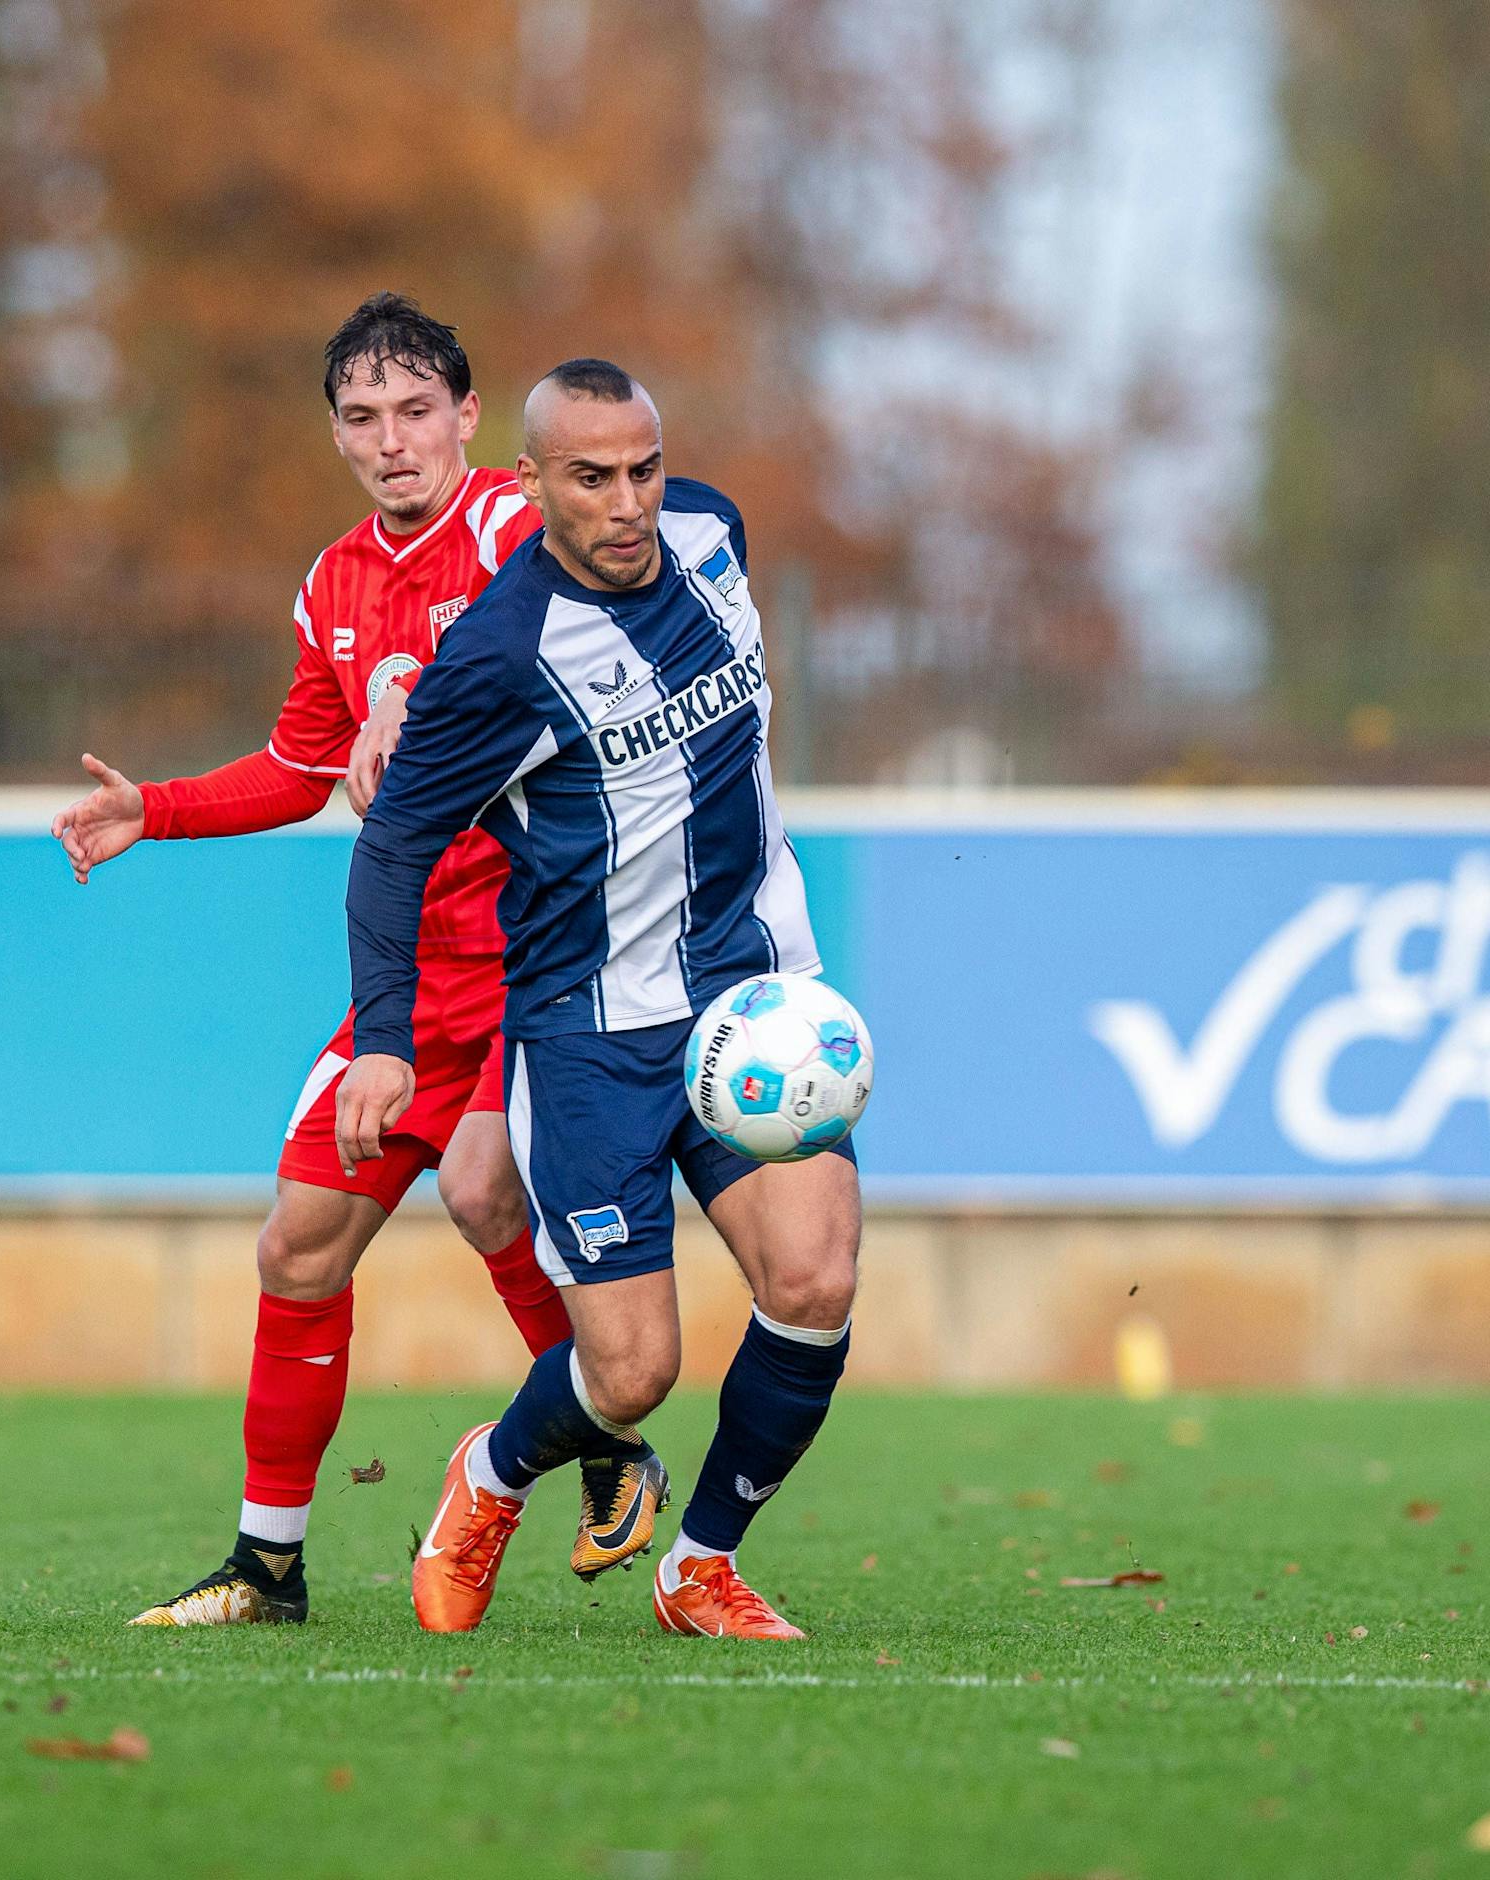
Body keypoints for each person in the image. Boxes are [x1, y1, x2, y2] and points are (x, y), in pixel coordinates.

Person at [52, 300, 667, 1627]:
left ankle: (607, 1429)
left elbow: (578, 637)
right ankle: (268, 1566)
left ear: (466, 415)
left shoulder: (516, 525)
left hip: (542, 955)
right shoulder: (331, 583)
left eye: (414, 411)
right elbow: (299, 763)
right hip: (411, 976)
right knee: (299, 1246)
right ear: (336, 433)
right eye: (361, 418)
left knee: (487, 1185)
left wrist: (421, 709)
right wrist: (148, 809)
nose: (391, 443)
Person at [337, 359, 861, 1639]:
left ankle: (699, 1567)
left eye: (642, 469)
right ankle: (492, 1471)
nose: (626, 502)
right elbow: (391, 847)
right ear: (529, 484)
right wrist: (388, 1043)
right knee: (631, 1371)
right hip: (586, 1033)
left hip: (751, 997)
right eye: (589, 477)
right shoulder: (501, 657)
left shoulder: (711, 535)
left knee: (812, 1279)